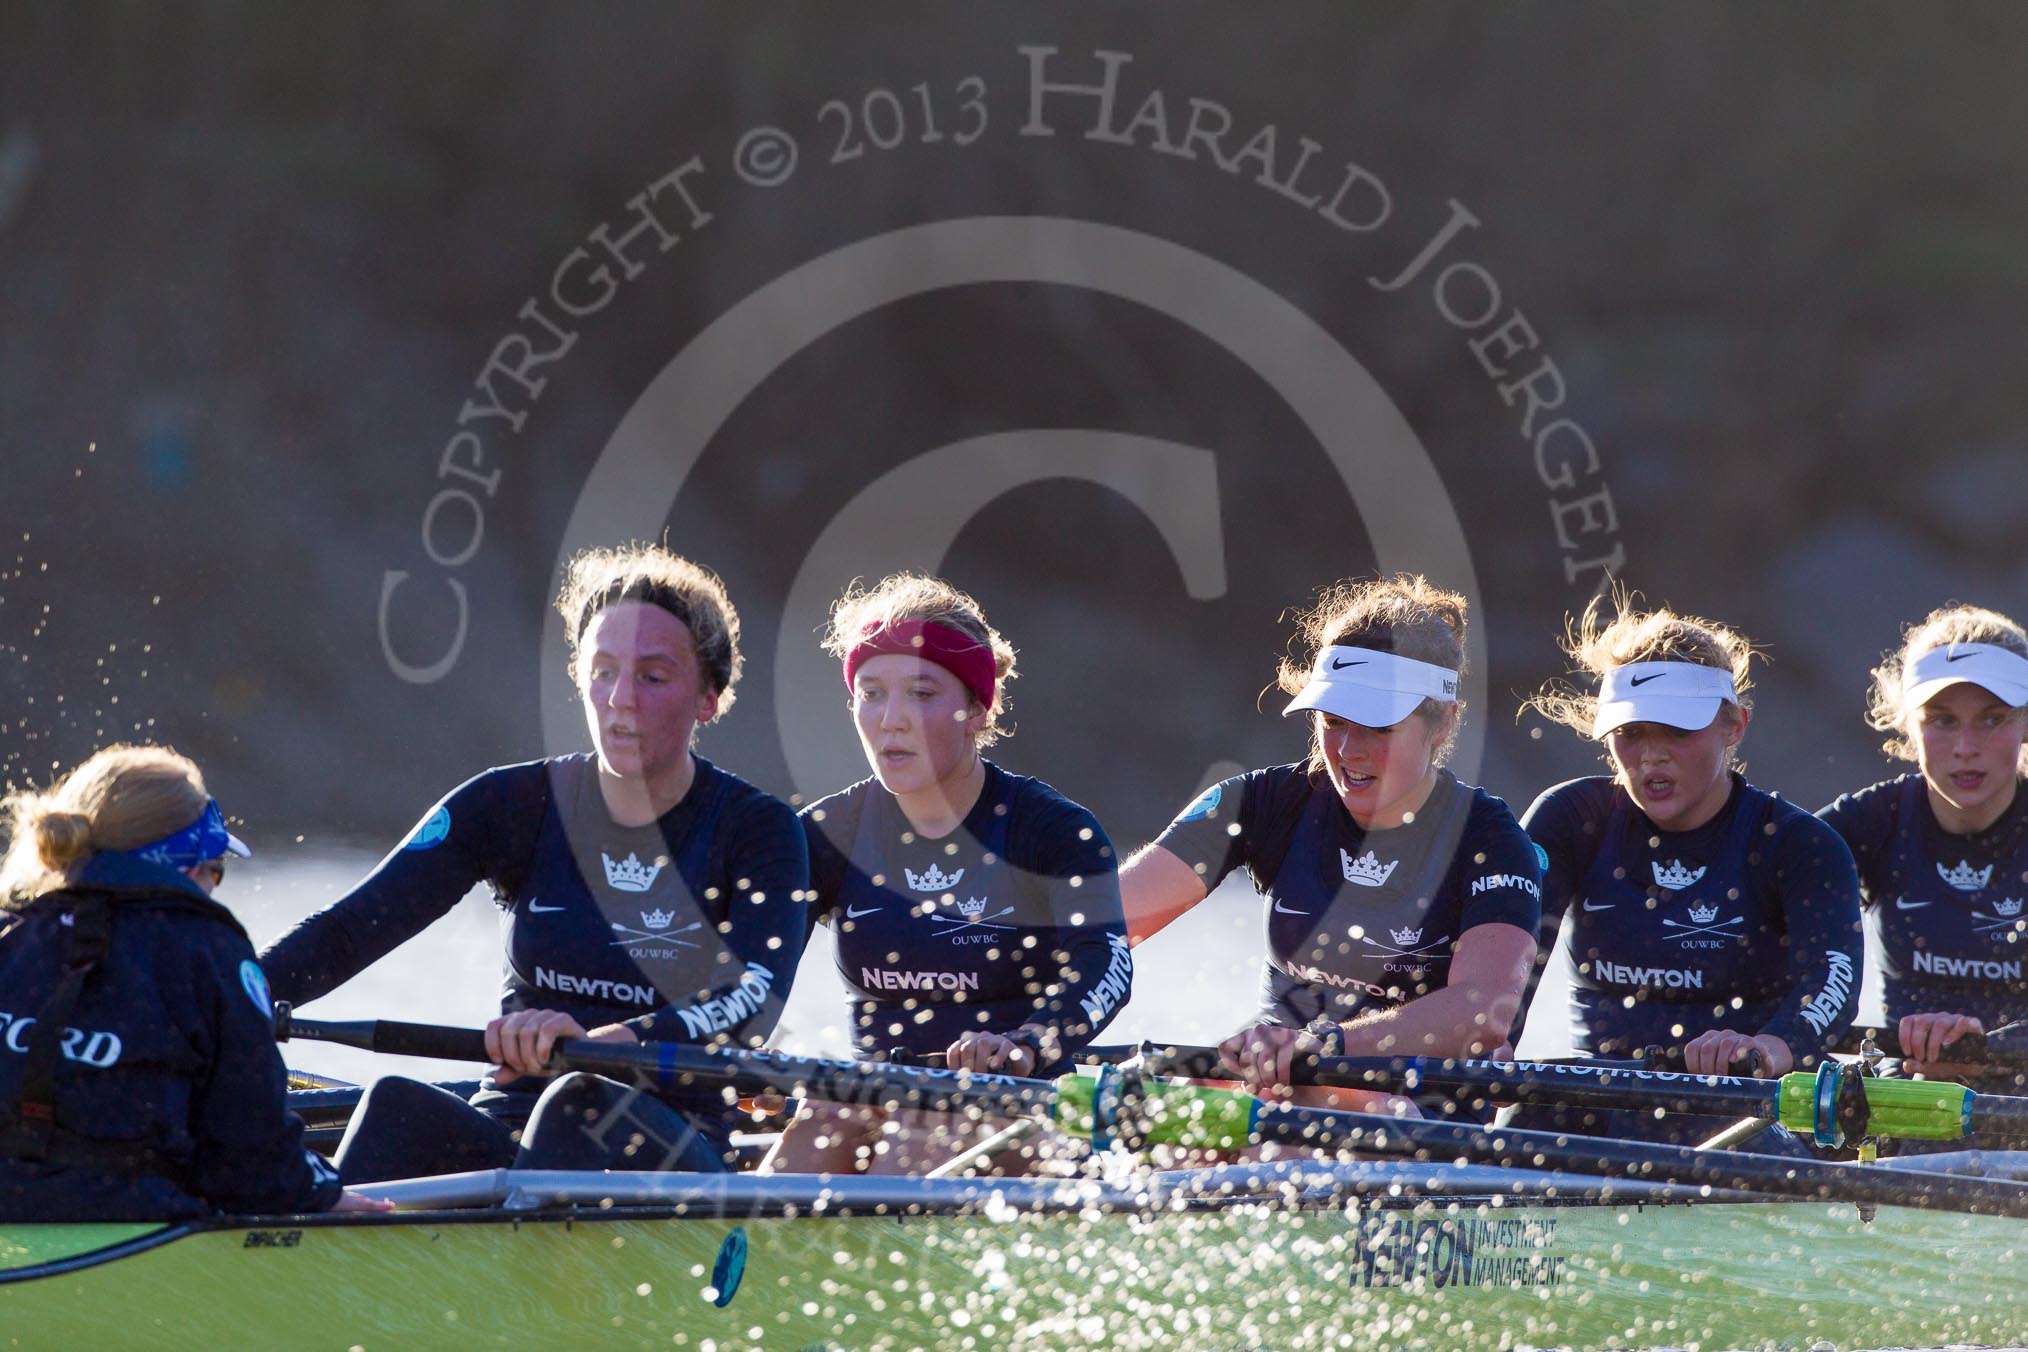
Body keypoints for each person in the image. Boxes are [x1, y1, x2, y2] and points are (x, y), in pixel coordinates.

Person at [261, 545, 809, 1181]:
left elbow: (752, 1000)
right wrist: (239, 994)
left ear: (708, 698)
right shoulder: (510, 805)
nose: (621, 699)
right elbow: (351, 929)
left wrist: (606, 1047)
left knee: (578, 1101)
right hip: (513, 1117)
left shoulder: (758, 831)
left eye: (653, 677)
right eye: (603, 671)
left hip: (671, 1136)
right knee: (395, 1105)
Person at [1122, 575, 1541, 1123]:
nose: (1347, 749)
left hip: (1420, 1109)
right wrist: (1020, 1026)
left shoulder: (1490, 838)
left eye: (1377, 726)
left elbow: (1484, 1012)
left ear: (1442, 723)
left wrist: (1323, 1044)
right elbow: (1105, 922)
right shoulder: (1264, 802)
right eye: (1333, 721)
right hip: (1281, 1085)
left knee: (1364, 1114)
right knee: (1143, 1121)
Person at [762, 574, 1130, 1175]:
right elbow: (752, 972)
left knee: (921, 1122)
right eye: (872, 692)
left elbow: (1107, 964)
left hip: (1021, 1107)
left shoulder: (1053, 831)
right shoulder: (824, 836)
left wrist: (1026, 1042)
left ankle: (871, 1257)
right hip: (877, 1095)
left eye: (922, 693)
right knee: (825, 1109)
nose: (891, 719)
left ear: (977, 711)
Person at [1512, 596, 1862, 1145]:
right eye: (1631, 733)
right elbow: (1507, 970)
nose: (1651, 757)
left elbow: (1833, 981)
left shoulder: (1797, 844)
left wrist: (1769, 1048)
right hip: (1597, 1102)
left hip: (1743, 1108)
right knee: (1518, 1123)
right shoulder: (1571, 820)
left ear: (1735, 726)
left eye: (1676, 732)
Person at [0, 745, 384, 1220]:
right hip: (136, 1233)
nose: (214, 886)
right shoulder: (208, 952)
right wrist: (322, 1192)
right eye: (217, 869)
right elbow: (252, 1166)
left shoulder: (12, 933)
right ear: (188, 865)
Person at [1818, 605, 2028, 1085]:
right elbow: (1743, 889)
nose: (1965, 747)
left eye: (1992, 719)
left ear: (2025, 723)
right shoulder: (1871, 822)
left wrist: (1986, 1046)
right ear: (1908, 724)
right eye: (1943, 720)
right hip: (1905, 1097)